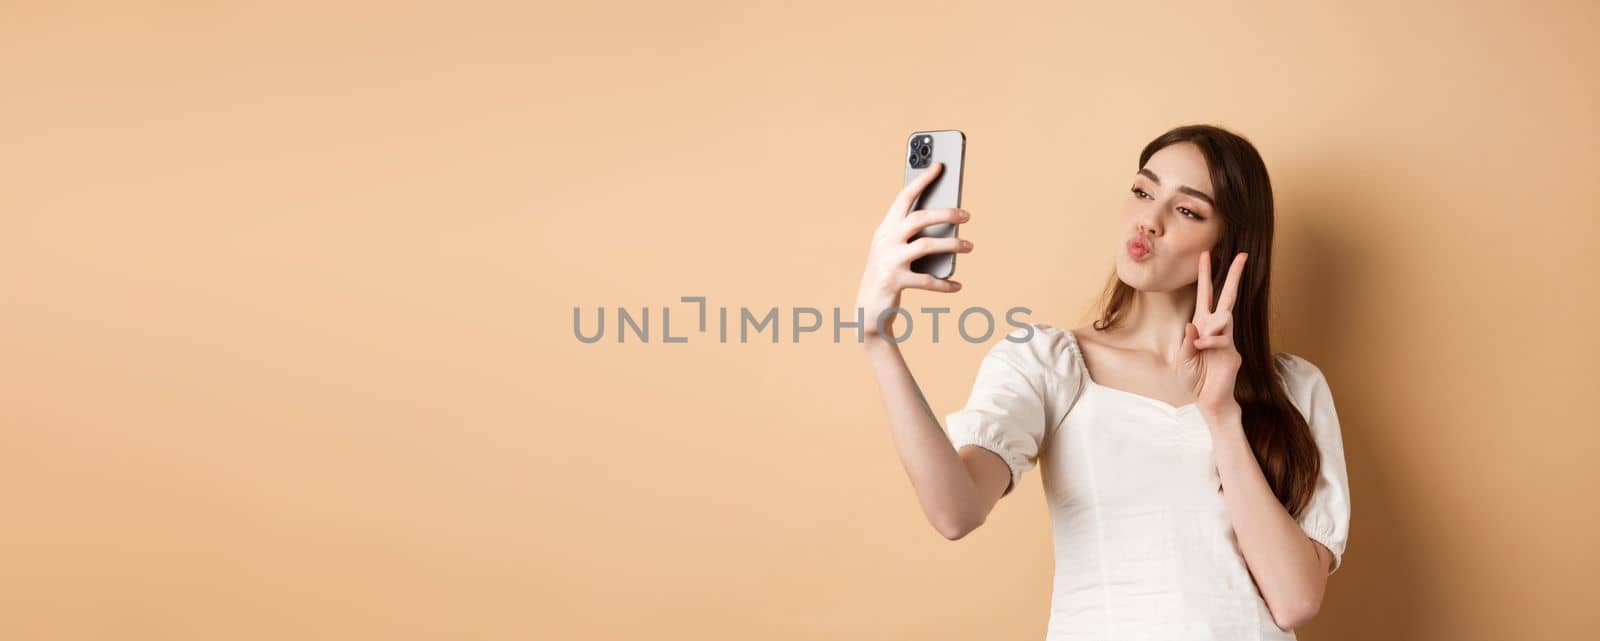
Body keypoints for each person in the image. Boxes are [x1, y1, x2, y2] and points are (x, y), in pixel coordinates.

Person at [854, 124, 1351, 639]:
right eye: (1142, 191)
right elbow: (954, 511)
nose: (1149, 221)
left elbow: (1294, 602)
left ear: (1230, 244)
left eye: (1187, 210)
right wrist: (877, 338)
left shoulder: (1293, 387)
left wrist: (1222, 415)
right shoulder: (1049, 361)